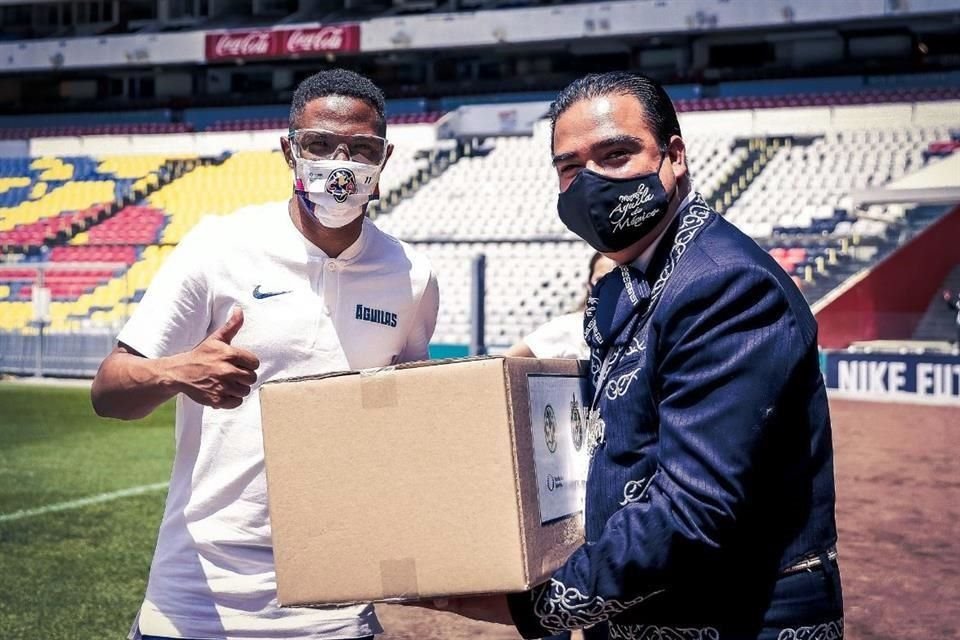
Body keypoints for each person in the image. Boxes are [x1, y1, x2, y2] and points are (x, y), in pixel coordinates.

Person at [421, 72, 843, 639]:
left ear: (674, 157)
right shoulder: (624, 284)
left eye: (616, 154)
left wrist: (536, 606)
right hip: (641, 612)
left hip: (737, 615)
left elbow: (694, 510)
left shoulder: (724, 284)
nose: (590, 180)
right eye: (570, 166)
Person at [91, 69, 439, 640]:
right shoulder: (218, 246)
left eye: (360, 148)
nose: (340, 162)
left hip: (336, 605)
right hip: (198, 598)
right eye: (320, 145)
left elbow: (408, 424)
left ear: (385, 157)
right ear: (289, 151)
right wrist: (176, 371)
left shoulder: (412, 276)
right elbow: (109, 393)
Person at [505, 251, 617, 359]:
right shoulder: (569, 327)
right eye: (600, 280)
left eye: (617, 281)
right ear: (588, 285)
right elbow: (500, 362)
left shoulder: (633, 332)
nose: (607, 288)